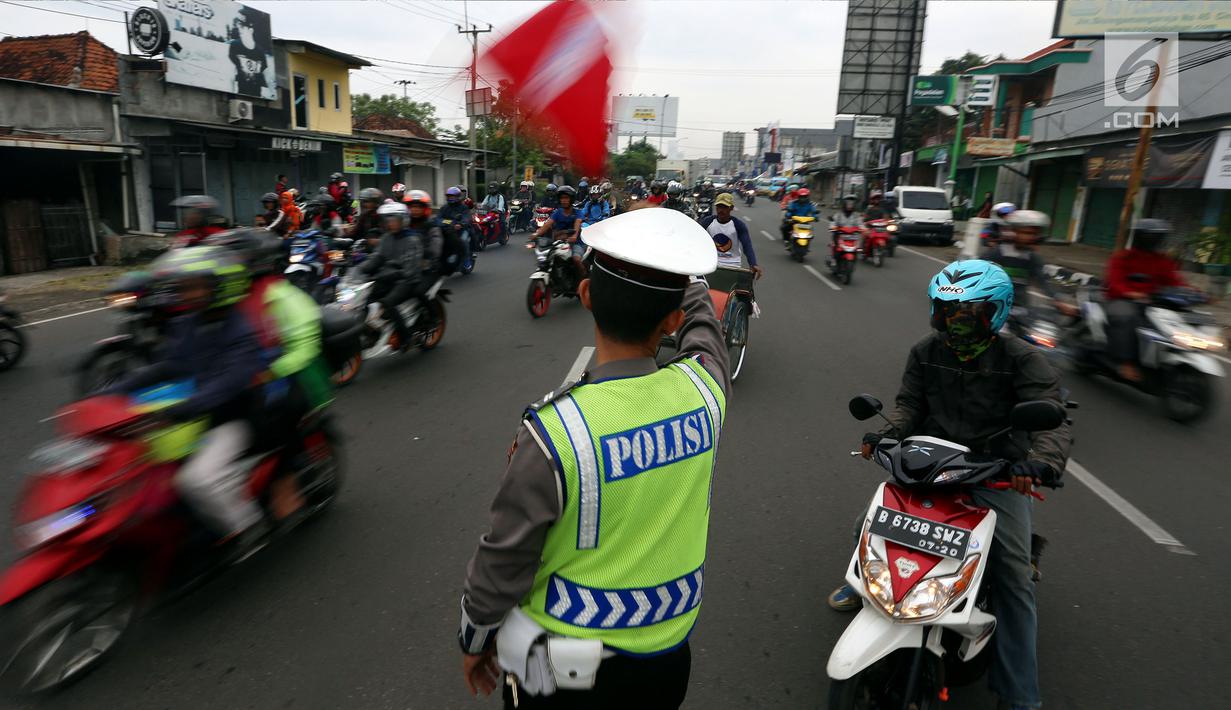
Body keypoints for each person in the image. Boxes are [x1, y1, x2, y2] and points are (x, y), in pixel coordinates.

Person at [458, 207, 729, 709]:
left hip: (557, 665)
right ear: (671, 319)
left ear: (584, 295)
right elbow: (705, 332)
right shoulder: (706, 391)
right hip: (667, 659)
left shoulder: (554, 432)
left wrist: (475, 640)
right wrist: (678, 270)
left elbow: (504, 557)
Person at [829, 259, 1070, 710]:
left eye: (966, 313)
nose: (954, 322)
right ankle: (864, 586)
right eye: (946, 311)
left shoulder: (1023, 359)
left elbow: (1052, 422)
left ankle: (1020, 696)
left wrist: (1039, 463)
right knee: (867, 525)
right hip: (929, 465)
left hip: (994, 475)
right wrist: (887, 433)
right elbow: (908, 405)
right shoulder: (925, 351)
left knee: (1015, 577)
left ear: (994, 312)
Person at [106, 247, 268, 557]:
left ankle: (246, 526)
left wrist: (178, 411)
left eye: (195, 286)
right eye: (185, 286)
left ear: (222, 286)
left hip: (231, 418)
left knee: (196, 480)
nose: (187, 293)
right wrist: (113, 392)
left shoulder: (241, 333)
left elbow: (226, 387)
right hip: (192, 413)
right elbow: (166, 367)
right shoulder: (188, 324)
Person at [1103, 218, 1186, 382]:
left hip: (1152, 303)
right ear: (1140, 237)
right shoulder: (1123, 257)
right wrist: (1132, 294)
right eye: (1151, 237)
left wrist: (1195, 294)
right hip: (1120, 300)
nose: (1155, 241)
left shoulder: (1162, 261)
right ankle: (1125, 362)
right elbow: (1115, 283)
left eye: (1158, 237)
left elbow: (1176, 282)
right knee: (1127, 317)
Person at [362, 202, 423, 350]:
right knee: (365, 298)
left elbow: (410, 269)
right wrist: (363, 268)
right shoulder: (387, 238)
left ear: (403, 220)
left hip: (407, 280)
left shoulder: (412, 239)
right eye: (388, 220)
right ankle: (371, 330)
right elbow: (378, 256)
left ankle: (406, 337)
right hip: (389, 277)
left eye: (394, 220)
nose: (391, 223)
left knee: (388, 303)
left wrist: (392, 274)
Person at [980, 210, 1056, 311]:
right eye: (1026, 233)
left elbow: (1043, 281)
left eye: (1034, 234)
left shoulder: (1032, 258)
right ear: (1013, 232)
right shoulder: (995, 254)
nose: (1031, 238)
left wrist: (1058, 300)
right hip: (993, 308)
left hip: (1020, 310)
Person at [700, 193, 762, 279]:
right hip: (712, 263)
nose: (721, 210)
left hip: (733, 265)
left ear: (731, 208)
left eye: (725, 207)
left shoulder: (738, 225)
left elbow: (747, 245)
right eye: (719, 206)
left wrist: (753, 264)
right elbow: (696, 240)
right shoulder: (707, 221)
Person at [534, 185, 585, 277]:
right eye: (562, 198)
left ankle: (582, 279)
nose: (563, 200)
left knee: (576, 259)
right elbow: (547, 224)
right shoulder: (557, 213)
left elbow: (577, 225)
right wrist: (536, 234)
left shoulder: (578, 213)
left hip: (576, 243)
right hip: (558, 242)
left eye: (566, 198)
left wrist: (574, 236)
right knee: (547, 259)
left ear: (571, 199)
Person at [229, 7, 271, 98]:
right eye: (238, 24)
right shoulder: (235, 46)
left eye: (242, 26)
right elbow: (231, 74)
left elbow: (265, 76)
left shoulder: (260, 52)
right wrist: (232, 94)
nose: (239, 28)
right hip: (240, 95)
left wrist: (269, 93)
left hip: (257, 98)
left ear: (251, 29)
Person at [438, 186, 475, 262]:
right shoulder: (444, 207)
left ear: (458, 197)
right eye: (449, 196)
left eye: (453, 196)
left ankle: (467, 258)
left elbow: (467, 218)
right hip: (448, 229)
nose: (451, 198)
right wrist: (447, 223)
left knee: (463, 240)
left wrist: (461, 224)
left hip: (461, 229)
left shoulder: (463, 207)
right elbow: (438, 218)